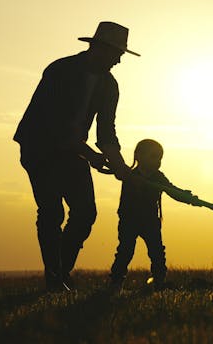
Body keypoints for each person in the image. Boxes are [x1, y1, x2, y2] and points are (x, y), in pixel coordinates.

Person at [14, 21, 140, 291]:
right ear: (99, 49)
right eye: (117, 53)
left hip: (73, 151)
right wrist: (91, 156)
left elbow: (106, 133)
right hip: (39, 147)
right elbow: (54, 124)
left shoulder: (109, 86)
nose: (119, 60)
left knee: (85, 213)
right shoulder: (60, 71)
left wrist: (121, 168)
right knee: (51, 212)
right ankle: (55, 279)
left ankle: (61, 271)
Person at [109, 139, 198, 290]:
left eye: (160, 158)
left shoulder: (158, 177)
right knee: (125, 251)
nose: (157, 161)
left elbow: (171, 190)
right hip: (129, 221)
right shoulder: (131, 176)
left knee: (157, 252)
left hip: (150, 221)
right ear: (139, 156)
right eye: (153, 156)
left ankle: (159, 280)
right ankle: (116, 281)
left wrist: (187, 197)